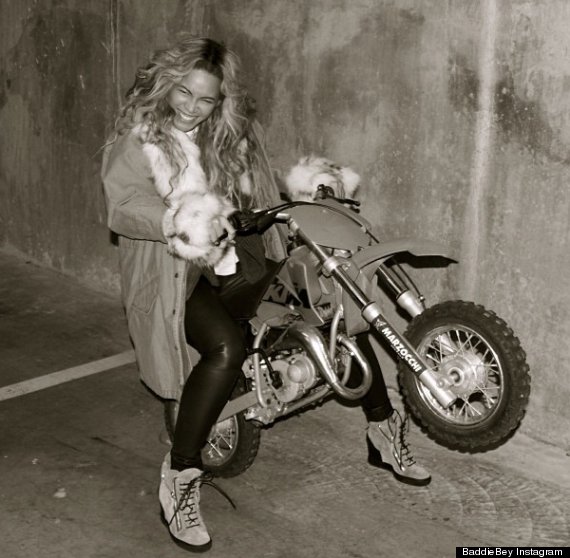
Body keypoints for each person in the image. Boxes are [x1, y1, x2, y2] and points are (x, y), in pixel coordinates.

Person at [101, 35, 430, 553]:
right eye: (184, 92)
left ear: (220, 100)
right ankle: (180, 476)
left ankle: (382, 431)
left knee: (333, 304)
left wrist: (304, 194)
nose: (191, 108)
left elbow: (259, 190)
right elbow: (122, 207)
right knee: (226, 347)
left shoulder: (233, 133)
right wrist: (178, 218)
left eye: (205, 99)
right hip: (176, 274)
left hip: (241, 260)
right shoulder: (140, 140)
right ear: (167, 85)